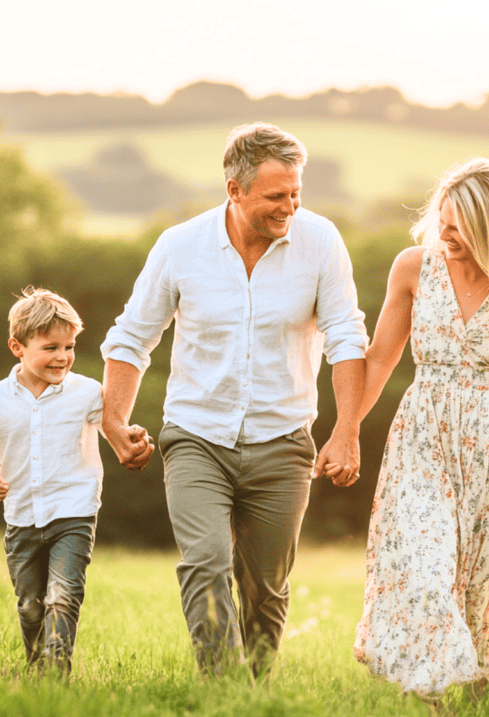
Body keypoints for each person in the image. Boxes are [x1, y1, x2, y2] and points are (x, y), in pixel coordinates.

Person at [100, 122, 368, 676]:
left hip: (283, 440)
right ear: (235, 189)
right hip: (197, 436)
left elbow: (345, 336)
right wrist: (114, 421)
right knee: (206, 564)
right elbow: (131, 337)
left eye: (296, 193)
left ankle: (256, 692)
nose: (289, 206)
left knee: (265, 589)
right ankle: (223, 689)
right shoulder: (181, 247)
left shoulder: (321, 243)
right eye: (275, 196)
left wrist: (346, 432)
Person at [349, 157, 489, 697]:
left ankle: (472, 696)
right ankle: (427, 696)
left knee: (480, 577)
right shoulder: (412, 268)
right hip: (423, 437)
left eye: (458, 225)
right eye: (440, 220)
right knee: (424, 562)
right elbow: (378, 361)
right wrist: (344, 429)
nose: (444, 233)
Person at [0, 287, 151, 674]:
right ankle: (36, 664)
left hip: (74, 513)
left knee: (63, 596)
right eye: (50, 347)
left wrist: (133, 439)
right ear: (18, 347)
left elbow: (114, 430)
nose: (62, 357)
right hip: (22, 518)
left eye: (69, 347)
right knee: (30, 605)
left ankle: (56, 674)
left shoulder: (87, 393)